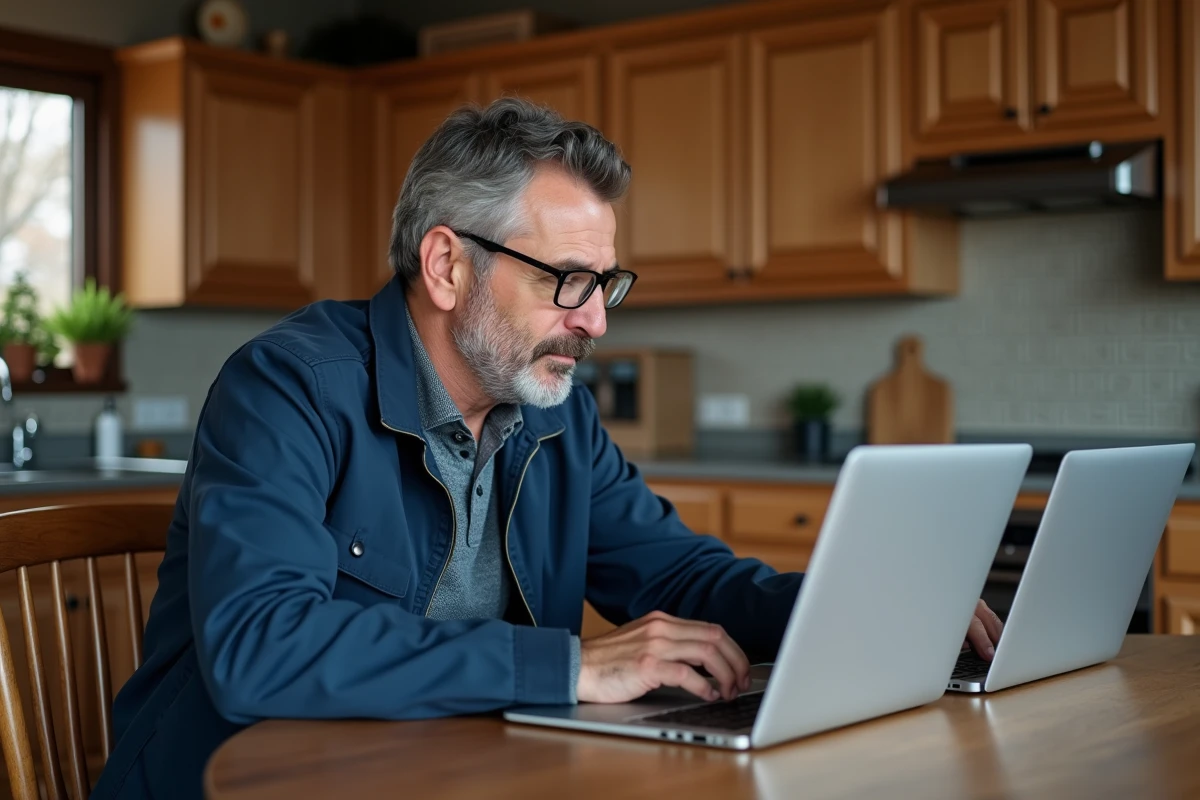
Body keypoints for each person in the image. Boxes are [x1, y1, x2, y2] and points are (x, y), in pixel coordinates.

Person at [91, 98, 1004, 799]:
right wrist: (568, 667)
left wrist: (868, 610)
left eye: (606, 282)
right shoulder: (288, 386)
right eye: (568, 280)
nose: (596, 318)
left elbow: (681, 581)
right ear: (448, 266)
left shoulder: (553, 409)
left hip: (447, 774)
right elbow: (261, 646)